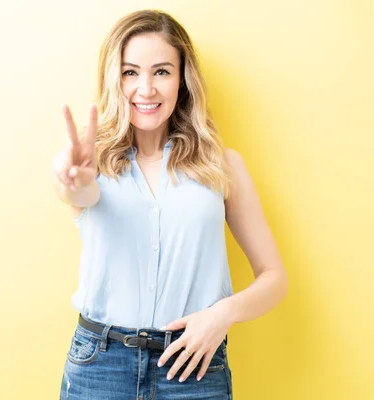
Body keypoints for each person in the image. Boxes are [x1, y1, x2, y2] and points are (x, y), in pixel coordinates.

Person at [52, 9, 288, 400]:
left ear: (182, 81)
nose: (146, 89)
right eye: (131, 73)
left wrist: (222, 315)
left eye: (161, 72)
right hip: (101, 367)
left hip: (193, 364)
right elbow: (78, 192)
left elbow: (274, 278)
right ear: (115, 80)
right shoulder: (91, 164)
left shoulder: (221, 166)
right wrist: (70, 178)